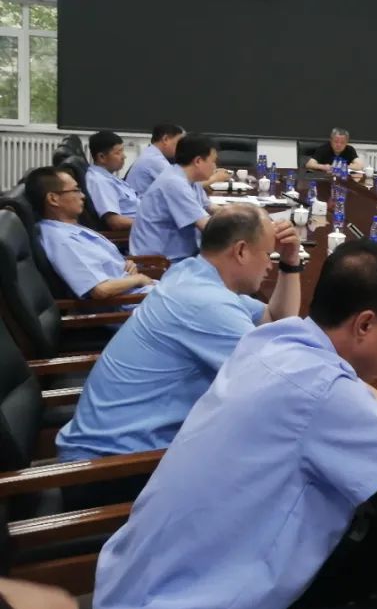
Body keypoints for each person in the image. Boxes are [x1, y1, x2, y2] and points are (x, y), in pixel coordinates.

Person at [93, 240, 377, 609]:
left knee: (366, 558)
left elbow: (356, 395)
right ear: (365, 324)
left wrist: (373, 413)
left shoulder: (273, 340)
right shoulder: (322, 392)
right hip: (187, 608)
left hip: (136, 586)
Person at [56, 206, 302, 499]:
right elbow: (281, 387)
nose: (269, 265)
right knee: (282, 467)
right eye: (268, 255)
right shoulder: (206, 304)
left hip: (106, 452)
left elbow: (277, 320)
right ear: (240, 251)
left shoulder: (189, 273)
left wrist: (290, 263)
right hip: (110, 471)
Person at [27, 166, 156, 301]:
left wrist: (125, 264)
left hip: (141, 293)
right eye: (75, 190)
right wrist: (138, 279)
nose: (83, 196)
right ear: (53, 199)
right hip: (133, 303)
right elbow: (100, 290)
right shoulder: (61, 240)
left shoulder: (69, 227)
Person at [129, 133, 217, 261]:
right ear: (198, 161)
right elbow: (206, 226)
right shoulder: (174, 183)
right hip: (159, 262)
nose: (215, 167)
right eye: (213, 161)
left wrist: (236, 211)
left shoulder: (191, 179)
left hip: (180, 255)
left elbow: (209, 207)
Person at [85, 130, 140, 231]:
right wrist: (149, 223)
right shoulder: (100, 181)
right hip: (137, 233)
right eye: (118, 152)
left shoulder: (107, 176)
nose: (124, 156)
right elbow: (115, 222)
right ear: (102, 157)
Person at [125, 123, 184, 195]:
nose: (181, 147)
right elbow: (179, 187)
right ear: (165, 139)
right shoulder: (154, 160)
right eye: (179, 143)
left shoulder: (151, 153)